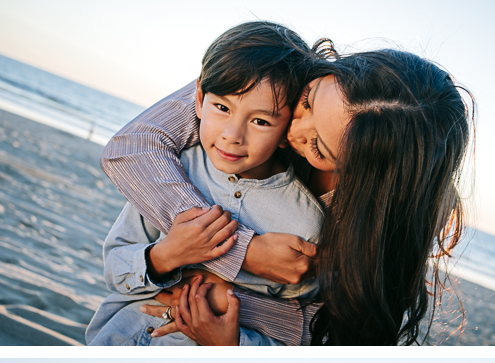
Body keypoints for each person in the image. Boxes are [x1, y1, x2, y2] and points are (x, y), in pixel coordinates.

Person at [101, 35, 473, 346]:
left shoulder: (388, 219)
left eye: (318, 147)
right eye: (307, 102)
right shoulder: (275, 74)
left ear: (366, 174)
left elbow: (337, 335)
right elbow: (133, 146)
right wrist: (241, 253)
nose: (292, 132)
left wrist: (227, 320)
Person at [86, 22, 323, 346]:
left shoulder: (305, 224)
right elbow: (115, 271)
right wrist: (164, 256)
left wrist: (229, 342)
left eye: (260, 121)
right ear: (199, 100)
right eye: (222, 108)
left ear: (287, 130)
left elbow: (297, 338)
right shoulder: (172, 172)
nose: (232, 134)